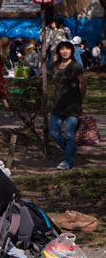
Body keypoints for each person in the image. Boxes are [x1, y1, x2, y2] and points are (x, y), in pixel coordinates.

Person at [49, 40, 86, 171]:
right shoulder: (54, 65)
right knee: (53, 131)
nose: (65, 51)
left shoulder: (76, 66)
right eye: (62, 49)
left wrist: (80, 98)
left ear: (72, 51)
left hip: (72, 105)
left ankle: (67, 161)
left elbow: (83, 83)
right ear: (58, 51)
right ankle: (71, 149)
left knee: (70, 134)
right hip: (58, 104)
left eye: (67, 49)